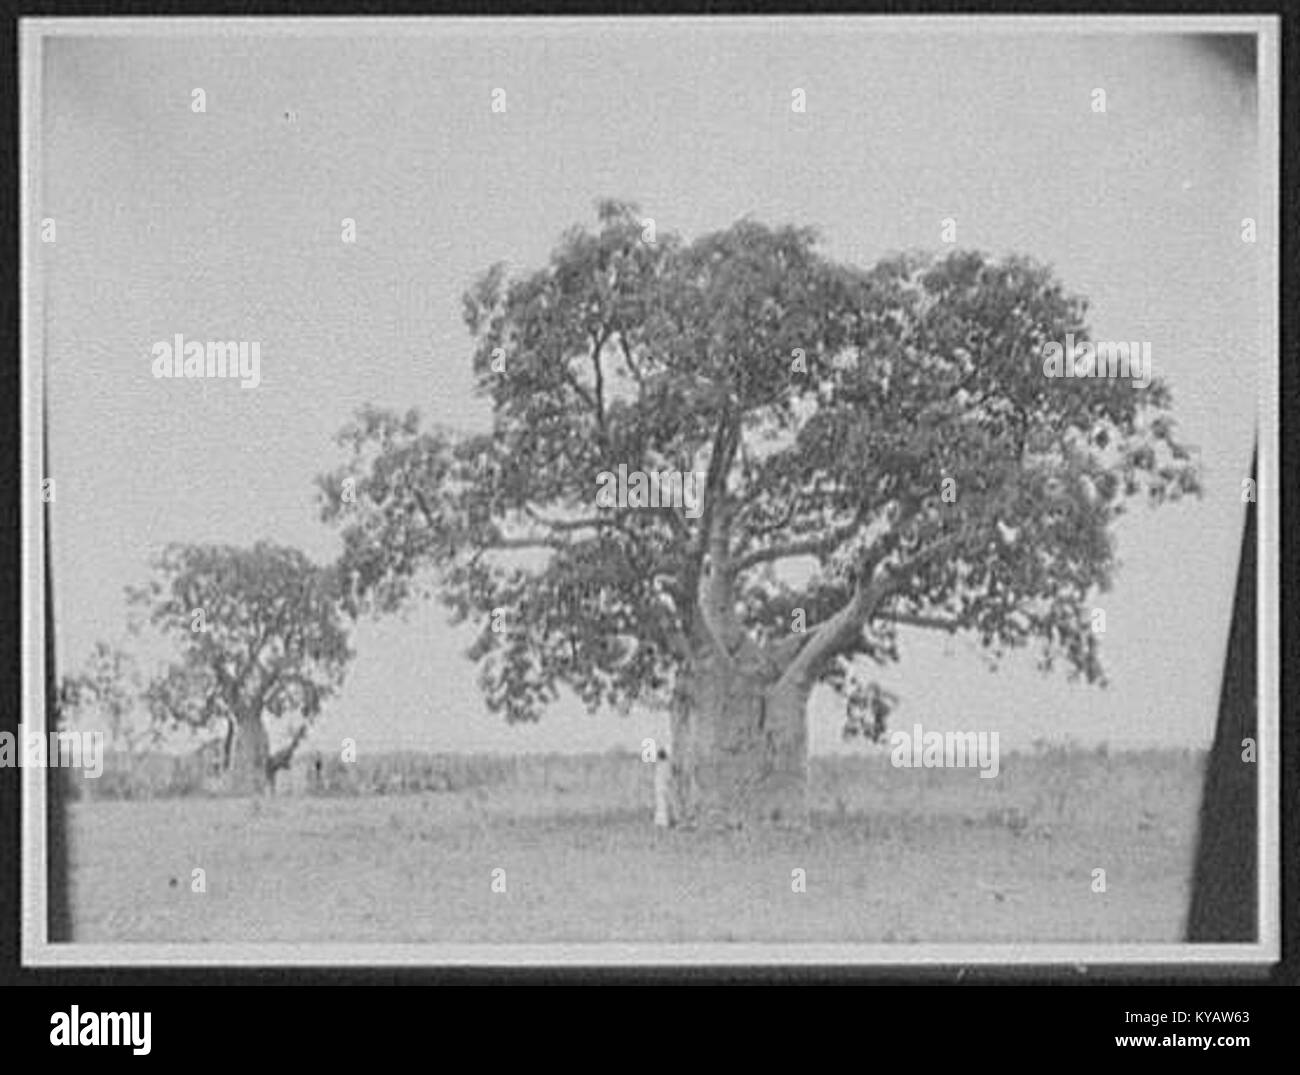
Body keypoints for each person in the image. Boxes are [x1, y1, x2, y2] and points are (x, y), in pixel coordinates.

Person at [653, 746, 673, 828]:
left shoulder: (661, 765)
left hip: (661, 786)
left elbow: (666, 777)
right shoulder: (666, 764)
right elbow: (670, 777)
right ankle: (662, 821)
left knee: (662, 804)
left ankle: (663, 822)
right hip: (664, 786)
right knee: (663, 803)